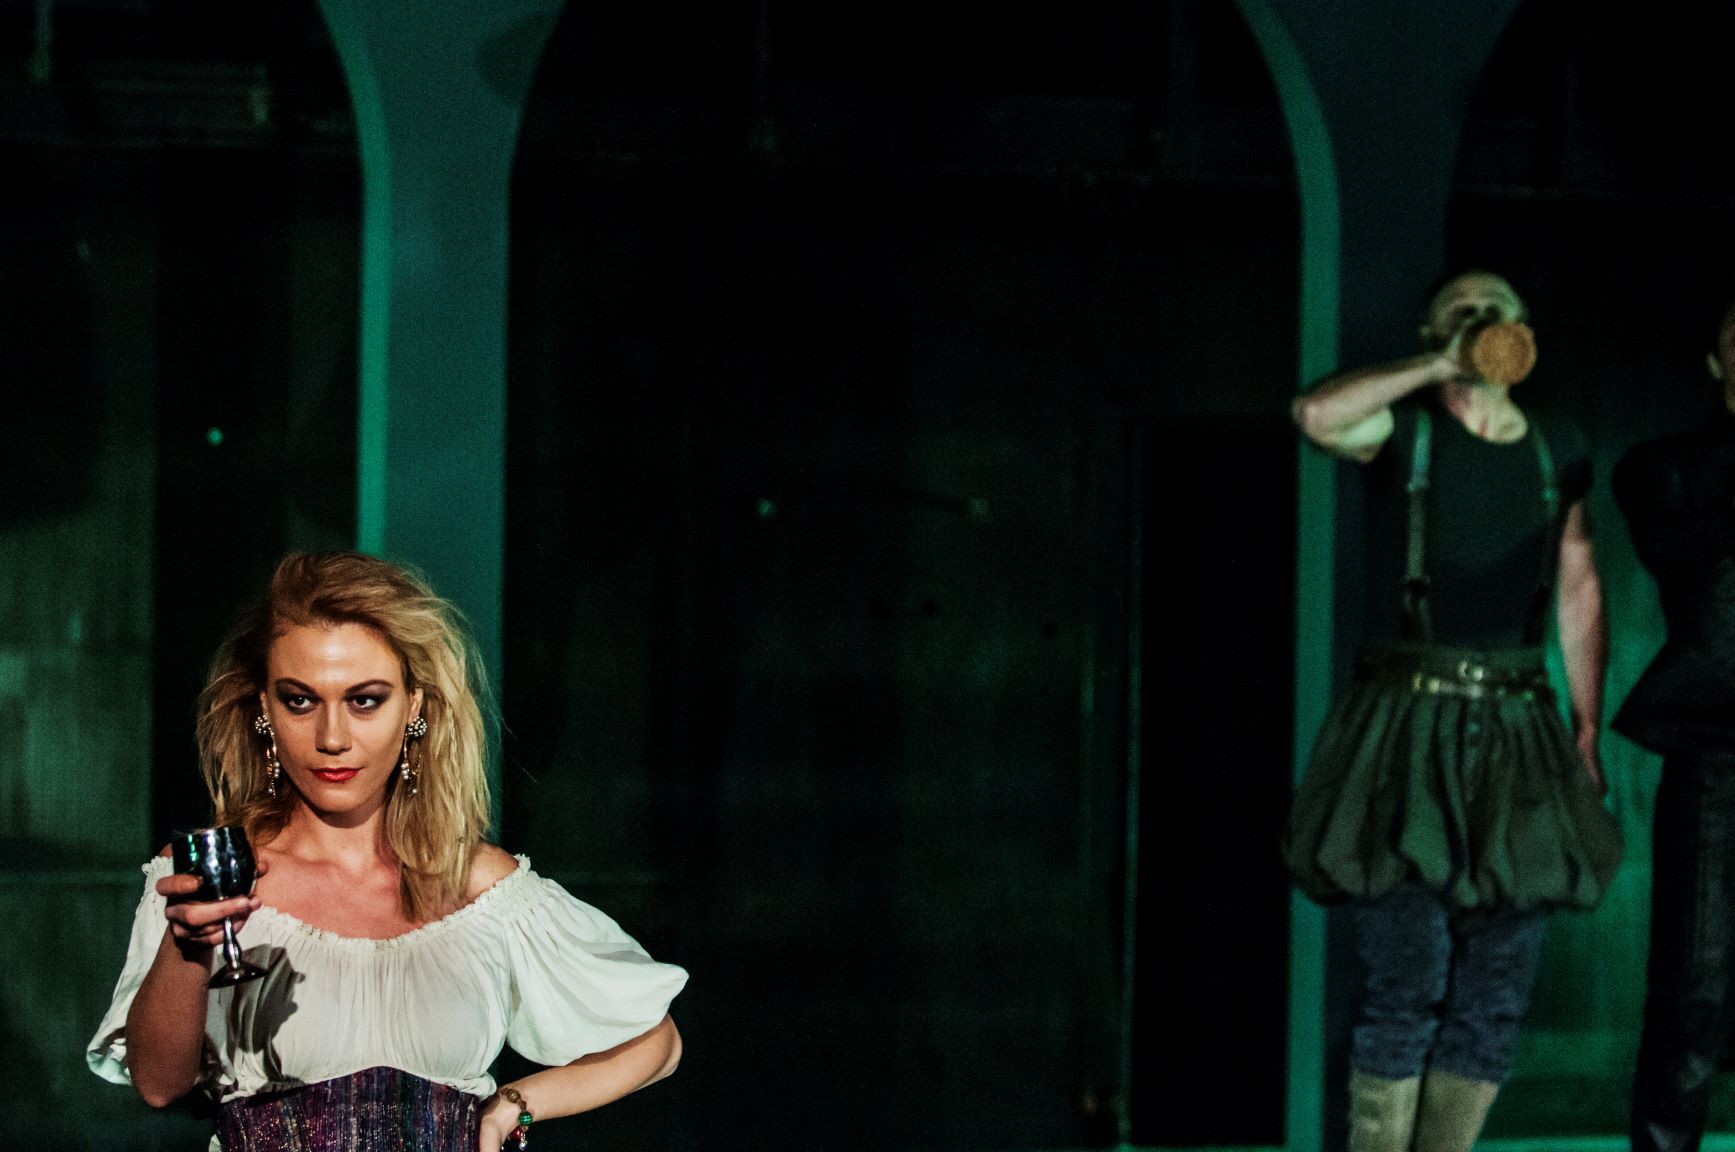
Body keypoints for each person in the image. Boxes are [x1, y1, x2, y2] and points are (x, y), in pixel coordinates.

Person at [87, 552, 687, 1152]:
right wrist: (190, 948)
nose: (332, 738)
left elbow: (657, 1043)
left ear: (414, 707)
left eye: (365, 700)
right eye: (300, 700)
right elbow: (158, 1085)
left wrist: (512, 1107)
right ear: (264, 709)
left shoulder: (483, 890)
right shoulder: (215, 882)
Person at [1284, 271, 1622, 1152]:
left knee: (1496, 989)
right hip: (1402, 726)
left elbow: (1578, 585)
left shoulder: (1556, 446)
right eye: (1460, 310)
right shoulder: (1404, 434)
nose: (1482, 318)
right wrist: (1443, 360)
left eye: (1496, 308)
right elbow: (1316, 416)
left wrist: (1586, 728)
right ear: (1432, 332)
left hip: (1517, 730)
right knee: (1406, 977)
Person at [1615, 298, 1735, 1152]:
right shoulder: (1666, 467)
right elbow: (1683, 553)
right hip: (1715, 751)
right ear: (1715, 361)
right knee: (1694, 988)